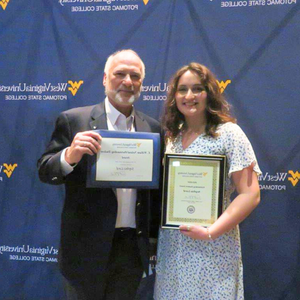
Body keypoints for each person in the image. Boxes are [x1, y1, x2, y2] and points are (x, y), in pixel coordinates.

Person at [37, 49, 161, 300]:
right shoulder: (74, 120)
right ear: (105, 79)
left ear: (141, 83)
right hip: (85, 249)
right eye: (120, 74)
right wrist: (69, 156)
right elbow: (45, 171)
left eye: (135, 76)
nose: (128, 81)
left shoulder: (153, 128)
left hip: (130, 251)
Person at [154, 62, 261, 300]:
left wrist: (211, 232)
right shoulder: (172, 136)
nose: (189, 96)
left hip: (215, 246)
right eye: (182, 89)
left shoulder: (230, 134)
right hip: (174, 247)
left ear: (209, 93)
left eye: (197, 89)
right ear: (174, 96)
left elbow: (250, 194)